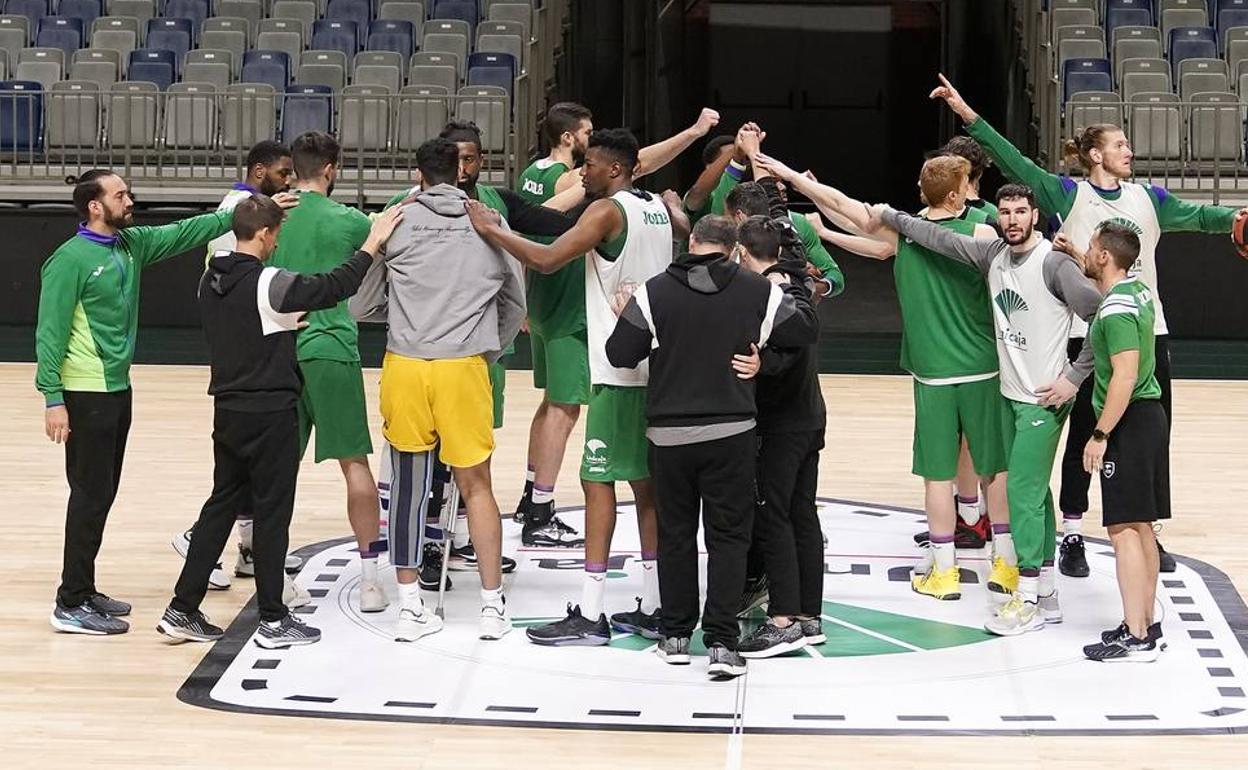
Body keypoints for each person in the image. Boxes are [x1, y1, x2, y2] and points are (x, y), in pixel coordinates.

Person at [929, 73, 1245, 576]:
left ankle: (1148, 529)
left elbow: (1199, 215)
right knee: (1081, 437)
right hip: (1085, 335)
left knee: (1149, 435)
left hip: (1148, 332)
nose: (1130, 150)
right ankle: (1073, 530)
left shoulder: (1150, 199)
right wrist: (968, 114)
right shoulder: (1066, 194)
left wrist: (1234, 218)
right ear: (1095, 154)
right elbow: (1016, 163)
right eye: (1120, 144)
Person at [756, 152, 1013, 602]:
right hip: (984, 367)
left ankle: (945, 573)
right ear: (958, 194)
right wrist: (824, 221)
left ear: (921, 189)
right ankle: (1006, 566)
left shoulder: (904, 233)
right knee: (994, 471)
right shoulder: (983, 231)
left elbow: (846, 205)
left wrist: (794, 178)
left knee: (937, 477)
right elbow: (862, 227)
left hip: (932, 372)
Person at [156, 196, 403, 648]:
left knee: (220, 508)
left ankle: (182, 608)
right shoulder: (269, 282)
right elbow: (334, 286)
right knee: (273, 514)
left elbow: (250, 325)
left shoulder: (210, 279)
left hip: (227, 409)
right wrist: (372, 242)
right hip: (268, 413)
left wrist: (286, 326)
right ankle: (273, 619)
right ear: (268, 234)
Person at [467, 128, 680, 646]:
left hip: (618, 372)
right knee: (648, 489)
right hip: (659, 366)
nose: (581, 173)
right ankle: (654, 604)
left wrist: (493, 230)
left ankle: (590, 612)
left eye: (589, 165)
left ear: (615, 169)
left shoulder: (606, 212)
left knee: (597, 485)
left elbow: (545, 259)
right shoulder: (661, 209)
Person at [871, 184, 1105, 635]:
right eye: (1006, 212)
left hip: (1042, 402)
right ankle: (1049, 596)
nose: (1013, 219)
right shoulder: (992, 255)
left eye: (1021, 211)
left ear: (1036, 216)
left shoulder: (1054, 263)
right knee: (1034, 497)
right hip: (1008, 396)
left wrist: (1074, 377)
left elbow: (1103, 314)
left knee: (1020, 493)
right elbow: (937, 237)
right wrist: (893, 215)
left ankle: (1028, 598)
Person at [605, 215, 818, 679]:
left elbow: (620, 354)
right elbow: (802, 331)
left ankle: (676, 636)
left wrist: (629, 314)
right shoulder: (757, 290)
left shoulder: (653, 290)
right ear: (732, 248)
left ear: (692, 242)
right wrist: (764, 355)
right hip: (732, 435)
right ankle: (722, 642)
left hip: (669, 439)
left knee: (676, 535)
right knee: (729, 539)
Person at [37, 170, 245, 635]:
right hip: (84, 390)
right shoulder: (69, 260)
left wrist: (240, 212)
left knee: (102, 493)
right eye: (120, 194)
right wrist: (53, 398)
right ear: (94, 205)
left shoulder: (129, 245)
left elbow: (185, 231)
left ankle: (83, 588)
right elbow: (49, 333)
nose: (130, 200)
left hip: (116, 389)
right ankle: (69, 603)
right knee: (89, 495)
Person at [514, 104, 720, 550]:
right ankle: (539, 508)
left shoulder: (531, 173)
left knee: (552, 405)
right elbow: (639, 162)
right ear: (569, 139)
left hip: (546, 303)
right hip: (572, 306)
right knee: (569, 411)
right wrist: (694, 131)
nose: (588, 150)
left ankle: (533, 494)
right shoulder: (573, 181)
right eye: (586, 136)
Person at [379, 121, 574, 588]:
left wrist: (495, 345)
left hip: (478, 360)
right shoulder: (399, 209)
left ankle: (461, 540)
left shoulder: (496, 203)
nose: (465, 167)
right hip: (440, 357)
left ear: (481, 160)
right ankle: (428, 546)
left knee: (467, 464)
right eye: (458, 159)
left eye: (472, 158)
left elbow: (550, 224)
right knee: (429, 465)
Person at [356, 138, 526, 642]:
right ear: (462, 170)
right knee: (477, 486)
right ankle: (492, 609)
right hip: (464, 365)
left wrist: (409, 318)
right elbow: (515, 305)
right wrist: (481, 345)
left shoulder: (395, 219)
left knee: (408, 488)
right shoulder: (489, 222)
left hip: (407, 363)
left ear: (418, 174)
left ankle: (410, 608)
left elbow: (361, 304)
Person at [170, 140, 299, 593]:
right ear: (259, 170)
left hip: (243, 335)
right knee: (249, 466)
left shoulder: (248, 207)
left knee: (242, 467)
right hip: (242, 342)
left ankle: (247, 549)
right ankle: (202, 539)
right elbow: (227, 275)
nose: (290, 181)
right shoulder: (237, 211)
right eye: (283, 173)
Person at [266, 131, 386, 614]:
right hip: (332, 348)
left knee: (275, 473)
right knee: (355, 466)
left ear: (294, 167)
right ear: (332, 169)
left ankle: (270, 575)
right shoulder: (350, 221)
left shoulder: (274, 215)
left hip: (278, 351)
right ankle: (373, 581)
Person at [731, 211, 830, 658]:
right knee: (802, 513)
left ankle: (784, 620)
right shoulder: (795, 284)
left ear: (741, 253)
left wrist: (763, 365)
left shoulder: (768, 294)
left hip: (782, 422)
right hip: (809, 417)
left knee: (776, 516)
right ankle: (810, 616)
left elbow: (794, 344)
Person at [1071, 223, 1170, 662]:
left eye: (1092, 248)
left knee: (1123, 530)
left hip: (1128, 422)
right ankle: (1146, 621)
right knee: (1141, 524)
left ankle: (1136, 636)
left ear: (1107, 257)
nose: (1089, 254)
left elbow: (1124, 377)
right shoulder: (1139, 291)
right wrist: (1076, 253)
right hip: (1150, 417)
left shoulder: (1113, 311)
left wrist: (1099, 434)